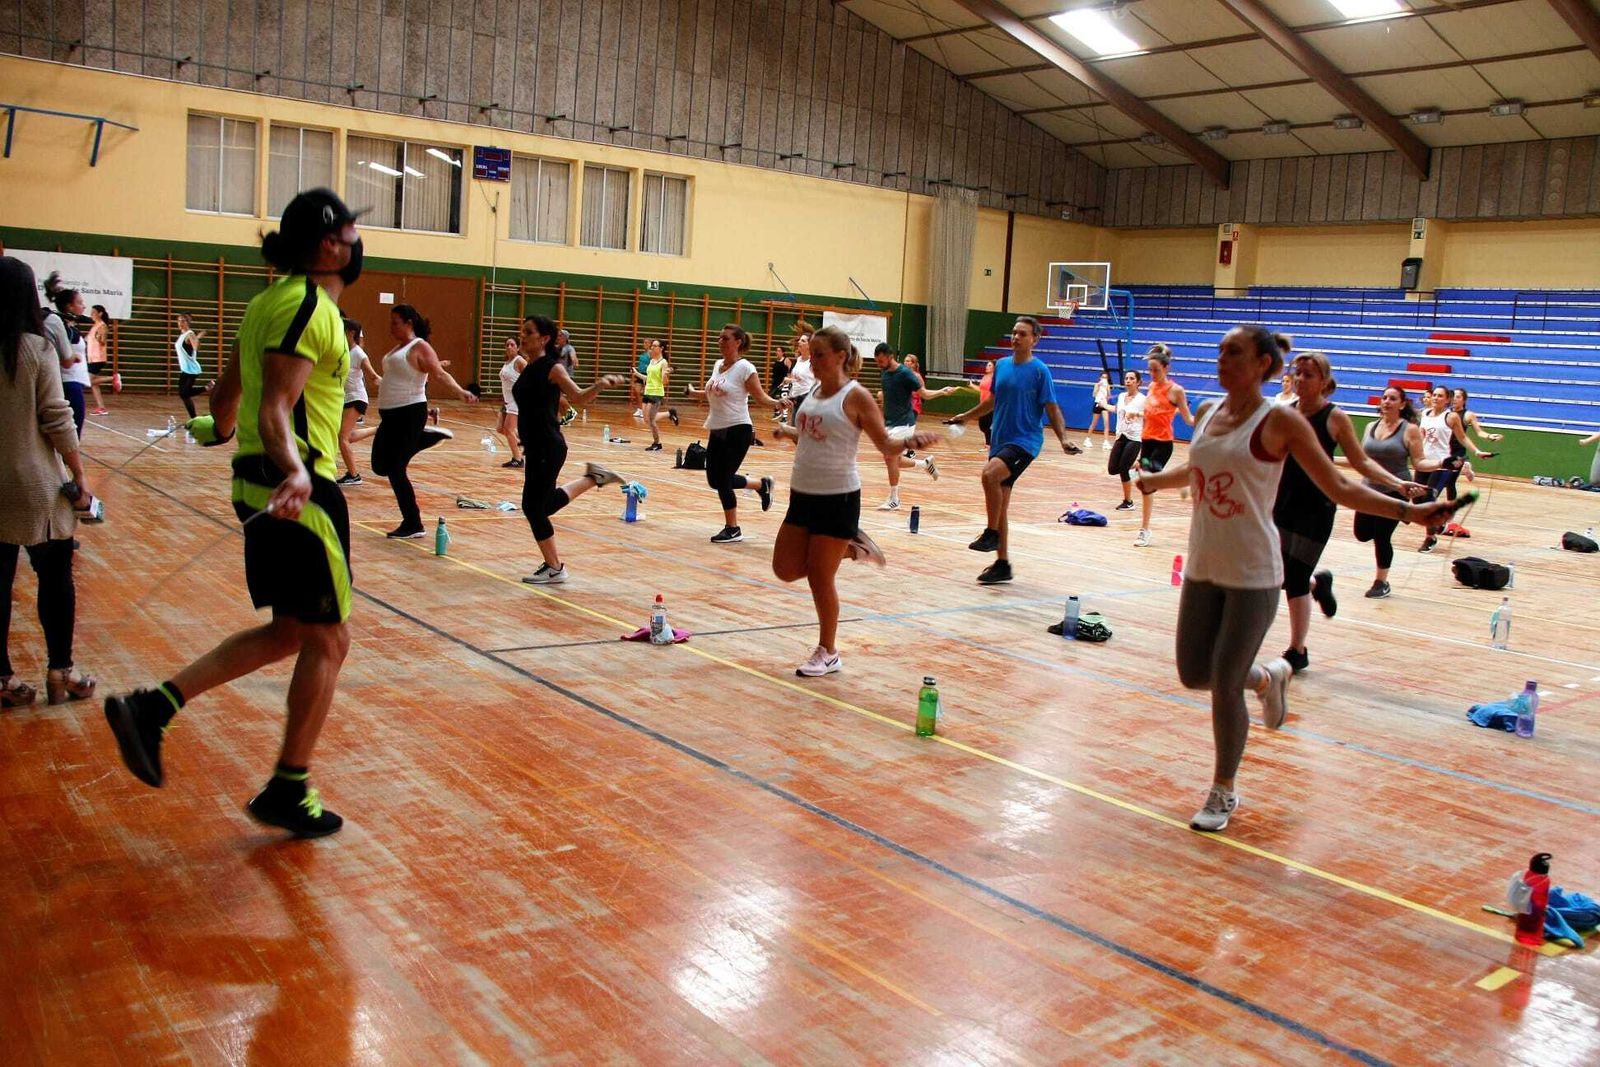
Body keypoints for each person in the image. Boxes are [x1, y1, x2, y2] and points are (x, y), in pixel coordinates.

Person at [103, 188, 371, 837]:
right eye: (354, 230)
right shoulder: (310, 307)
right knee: (331, 638)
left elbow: (228, 401)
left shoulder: (265, 304)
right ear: (330, 245)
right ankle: (289, 784)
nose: (362, 241)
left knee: (290, 634)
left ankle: (153, 708)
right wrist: (297, 469)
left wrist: (213, 427)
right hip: (296, 491)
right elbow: (276, 407)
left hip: (260, 485)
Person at [1132, 326, 1466, 833]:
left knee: (1224, 681)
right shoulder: (1204, 412)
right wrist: (1159, 480)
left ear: (1264, 364)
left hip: (1254, 573)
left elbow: (1339, 484)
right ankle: (1269, 677)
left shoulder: (1281, 421)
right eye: (1220, 351)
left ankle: (1223, 791)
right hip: (1203, 566)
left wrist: (1407, 511)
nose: (1222, 359)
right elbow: (1202, 465)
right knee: (1193, 673)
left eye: (1234, 353)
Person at [771, 325, 936, 677]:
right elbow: (810, 432)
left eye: (819, 355)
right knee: (783, 568)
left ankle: (828, 651)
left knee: (819, 576)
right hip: (802, 494)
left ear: (841, 356)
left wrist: (914, 441)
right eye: (811, 354)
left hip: (838, 496)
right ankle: (851, 547)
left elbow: (885, 445)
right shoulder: (814, 389)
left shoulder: (856, 395)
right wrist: (787, 432)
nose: (812, 361)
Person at [1272, 352, 1425, 673]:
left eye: (1308, 375)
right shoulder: (1284, 413)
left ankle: (1297, 650)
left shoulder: (1335, 418)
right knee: (1280, 574)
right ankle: (1318, 585)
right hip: (1282, 502)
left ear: (1325, 383)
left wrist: (1398, 484)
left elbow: (1362, 462)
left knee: (1295, 577)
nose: (1299, 379)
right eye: (1296, 373)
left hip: (1318, 505)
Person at [0, 256, 96, 709]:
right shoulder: (35, 348)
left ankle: (2, 679)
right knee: (55, 579)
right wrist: (78, 474)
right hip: (35, 484)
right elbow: (56, 418)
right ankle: (62, 672)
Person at [947, 316, 1079, 585]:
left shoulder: (1040, 371)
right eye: (1014, 332)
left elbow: (1052, 408)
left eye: (1022, 334)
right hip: (1000, 440)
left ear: (1035, 340)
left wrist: (1063, 439)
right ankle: (1002, 564)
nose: (1016, 337)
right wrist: (967, 416)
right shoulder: (1002, 366)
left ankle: (991, 532)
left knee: (989, 475)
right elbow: (993, 401)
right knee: (1001, 504)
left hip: (1026, 441)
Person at [514, 314, 631, 585]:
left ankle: (555, 568)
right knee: (539, 505)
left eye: (528, 332)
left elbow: (577, 396)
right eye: (522, 332)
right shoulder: (529, 367)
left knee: (533, 507)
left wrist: (600, 384)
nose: (523, 336)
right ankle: (593, 478)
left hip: (548, 445)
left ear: (543, 338)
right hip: (537, 444)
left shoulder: (553, 367)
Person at [369, 303, 478, 538]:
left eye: (395, 323)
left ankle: (413, 523)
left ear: (409, 323)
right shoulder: (398, 348)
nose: (391, 327)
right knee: (379, 465)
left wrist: (461, 392)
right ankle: (423, 438)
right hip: (390, 415)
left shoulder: (420, 347)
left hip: (409, 413)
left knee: (396, 469)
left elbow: (439, 373)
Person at [684, 324, 780, 543]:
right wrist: (693, 392)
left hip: (738, 430)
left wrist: (778, 402)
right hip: (717, 429)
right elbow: (712, 392)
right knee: (714, 480)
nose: (720, 342)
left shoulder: (745, 368)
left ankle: (733, 528)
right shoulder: (718, 365)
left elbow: (761, 397)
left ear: (738, 342)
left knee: (724, 479)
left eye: (725, 338)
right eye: (719, 338)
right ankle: (760, 484)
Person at [1354, 387, 1440, 599]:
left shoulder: (1409, 429)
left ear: (1402, 404)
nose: (1386, 402)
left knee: (1382, 536)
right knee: (1362, 534)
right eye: (1384, 398)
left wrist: (1442, 463)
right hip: (1369, 489)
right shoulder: (1369, 427)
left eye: (1392, 399)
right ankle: (1402, 516)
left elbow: (1419, 461)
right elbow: (1362, 459)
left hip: (1397, 489)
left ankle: (1381, 582)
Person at [872, 342, 952, 510]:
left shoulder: (906, 374)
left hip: (905, 422)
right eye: (877, 361)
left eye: (880, 361)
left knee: (889, 457)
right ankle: (925, 464)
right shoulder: (885, 373)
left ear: (889, 357)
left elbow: (924, 394)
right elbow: (887, 395)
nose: (879, 364)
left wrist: (941, 392)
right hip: (889, 422)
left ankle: (894, 499)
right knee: (896, 460)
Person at [1417, 385, 1491, 551]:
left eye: (1440, 396)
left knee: (1429, 501)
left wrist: (1477, 452)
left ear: (1447, 399)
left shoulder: (1450, 417)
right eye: (1434, 395)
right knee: (1417, 500)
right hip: (1423, 462)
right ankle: (1440, 525)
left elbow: (1463, 438)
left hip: (1442, 464)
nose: (1435, 398)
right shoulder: (1424, 414)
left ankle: (1430, 538)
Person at [1133, 343, 1193, 548]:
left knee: (1148, 481)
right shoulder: (1150, 387)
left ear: (1167, 368)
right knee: (1145, 485)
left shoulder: (1176, 391)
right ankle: (1181, 483)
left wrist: (1205, 421)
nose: (1152, 374)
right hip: (1146, 442)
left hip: (1163, 443)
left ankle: (1144, 530)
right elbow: (1152, 414)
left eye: (1156, 370)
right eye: (1150, 370)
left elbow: (1188, 420)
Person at [43, 273, 91, 437]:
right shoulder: (63, 328)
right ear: (69, 307)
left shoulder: (69, 326)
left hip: (71, 383)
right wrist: (74, 357)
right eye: (80, 303)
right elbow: (65, 359)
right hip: (69, 384)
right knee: (71, 434)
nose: (83, 306)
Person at [335, 319, 380, 485]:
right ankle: (377, 429)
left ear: (351, 333)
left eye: (343, 331)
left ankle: (354, 475)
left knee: (342, 438)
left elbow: (373, 376)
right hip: (347, 398)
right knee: (344, 436)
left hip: (357, 398)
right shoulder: (345, 351)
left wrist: (389, 385)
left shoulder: (359, 354)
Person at [1107, 369, 1145, 511]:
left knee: (1123, 468)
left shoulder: (1142, 399)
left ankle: (1128, 502)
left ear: (1138, 382)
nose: (1128, 381)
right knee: (1112, 469)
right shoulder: (1121, 396)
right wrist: (1103, 405)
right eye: (1126, 378)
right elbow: (1117, 410)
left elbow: (1149, 414)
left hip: (1134, 437)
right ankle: (1138, 465)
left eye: (1132, 378)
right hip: (1120, 435)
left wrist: (1137, 413)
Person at [638, 339, 679, 451]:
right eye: (652, 346)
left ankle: (657, 443)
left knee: (651, 420)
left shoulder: (663, 362)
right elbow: (648, 378)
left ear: (661, 348)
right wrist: (636, 373)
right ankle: (669, 413)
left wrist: (665, 375)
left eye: (655, 346)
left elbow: (664, 382)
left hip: (656, 393)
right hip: (648, 391)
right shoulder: (651, 361)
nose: (652, 348)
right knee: (646, 419)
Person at [496, 336, 526, 469]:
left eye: (512, 345)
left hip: (517, 401)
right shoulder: (507, 362)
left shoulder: (519, 361)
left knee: (508, 429)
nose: (509, 347)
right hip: (507, 401)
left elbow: (532, 378)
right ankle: (526, 441)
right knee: (501, 429)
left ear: (518, 347)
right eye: (507, 345)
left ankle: (517, 459)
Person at [172, 312, 209, 419]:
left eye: (182, 321)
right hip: (185, 369)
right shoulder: (183, 335)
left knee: (185, 394)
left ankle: (207, 388)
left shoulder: (190, 334)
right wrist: (198, 336)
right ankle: (193, 418)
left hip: (191, 370)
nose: (180, 323)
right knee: (183, 395)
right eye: (178, 320)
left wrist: (198, 337)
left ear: (188, 322)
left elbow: (195, 347)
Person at [86, 305, 113, 415]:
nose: (91, 314)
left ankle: (113, 378)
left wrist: (99, 338)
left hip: (98, 358)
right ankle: (101, 407)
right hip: (92, 358)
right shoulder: (94, 326)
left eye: (94, 312)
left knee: (88, 381)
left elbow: (103, 342)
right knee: (94, 384)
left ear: (100, 313)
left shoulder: (102, 326)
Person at [556, 328, 579, 425]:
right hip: (557, 376)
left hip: (565, 377)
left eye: (560, 336)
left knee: (555, 395)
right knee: (555, 398)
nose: (558, 337)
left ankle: (570, 411)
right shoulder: (557, 348)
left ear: (565, 338)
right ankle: (564, 417)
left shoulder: (569, 348)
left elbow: (573, 356)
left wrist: (574, 360)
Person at [1087, 370, 1112, 449]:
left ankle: (1106, 442)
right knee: (1094, 423)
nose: (1104, 379)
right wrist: (1098, 386)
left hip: (1104, 405)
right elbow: (1094, 394)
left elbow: (1109, 397)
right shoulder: (1097, 385)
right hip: (1097, 404)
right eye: (1103, 377)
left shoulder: (1108, 385)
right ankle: (1087, 439)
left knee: (1106, 423)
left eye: (1106, 377)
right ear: (1100, 378)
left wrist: (1108, 389)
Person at [630, 337, 653, 417]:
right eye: (644, 342)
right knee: (637, 391)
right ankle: (640, 409)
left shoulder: (650, 353)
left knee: (646, 393)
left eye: (647, 343)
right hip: (640, 373)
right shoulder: (643, 353)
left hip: (647, 375)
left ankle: (646, 410)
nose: (645, 344)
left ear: (650, 344)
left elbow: (654, 363)